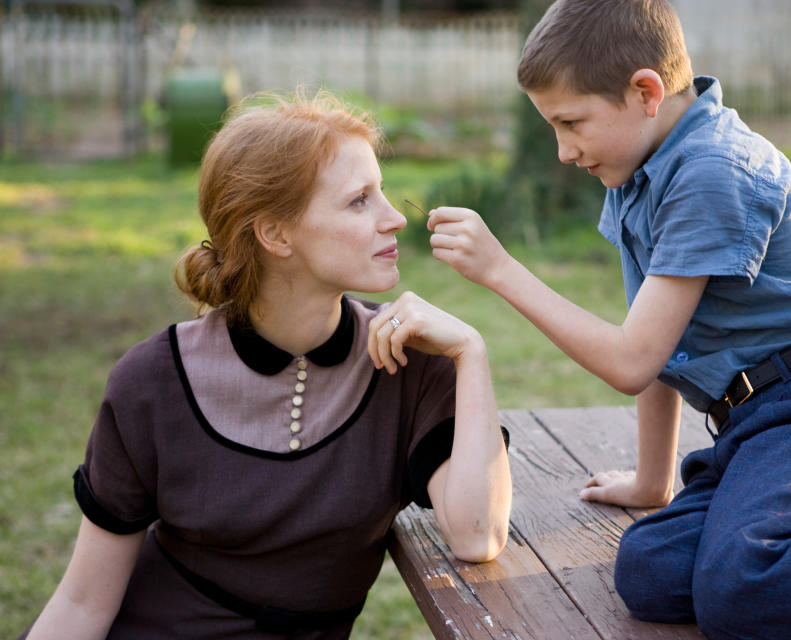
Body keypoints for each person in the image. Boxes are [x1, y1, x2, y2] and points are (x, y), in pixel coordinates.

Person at [417, 0, 791, 638]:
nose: (564, 151)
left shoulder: (710, 172)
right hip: (751, 433)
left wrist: (501, 270)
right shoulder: (637, 178)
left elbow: (630, 361)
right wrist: (652, 483)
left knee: (743, 590)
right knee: (650, 570)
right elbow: (659, 349)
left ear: (645, 91)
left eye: (572, 123)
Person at [23, 90, 512, 639]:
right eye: (360, 201)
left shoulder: (412, 361)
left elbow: (478, 536)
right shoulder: (152, 383)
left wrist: (471, 353)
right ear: (275, 233)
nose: (394, 218)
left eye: (384, 193)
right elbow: (84, 603)